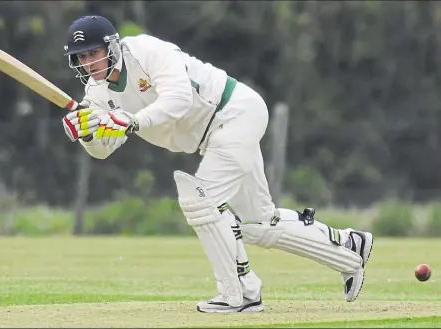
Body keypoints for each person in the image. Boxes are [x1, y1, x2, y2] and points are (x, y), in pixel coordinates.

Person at [61, 15, 374, 313]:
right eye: (82, 57)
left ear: (112, 46)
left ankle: (240, 293)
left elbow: (179, 98)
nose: (89, 63)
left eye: (94, 53)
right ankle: (348, 248)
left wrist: (132, 121)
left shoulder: (147, 50)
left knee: (200, 200)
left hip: (233, 113)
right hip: (214, 137)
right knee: (260, 222)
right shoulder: (96, 94)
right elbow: (104, 148)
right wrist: (88, 134)